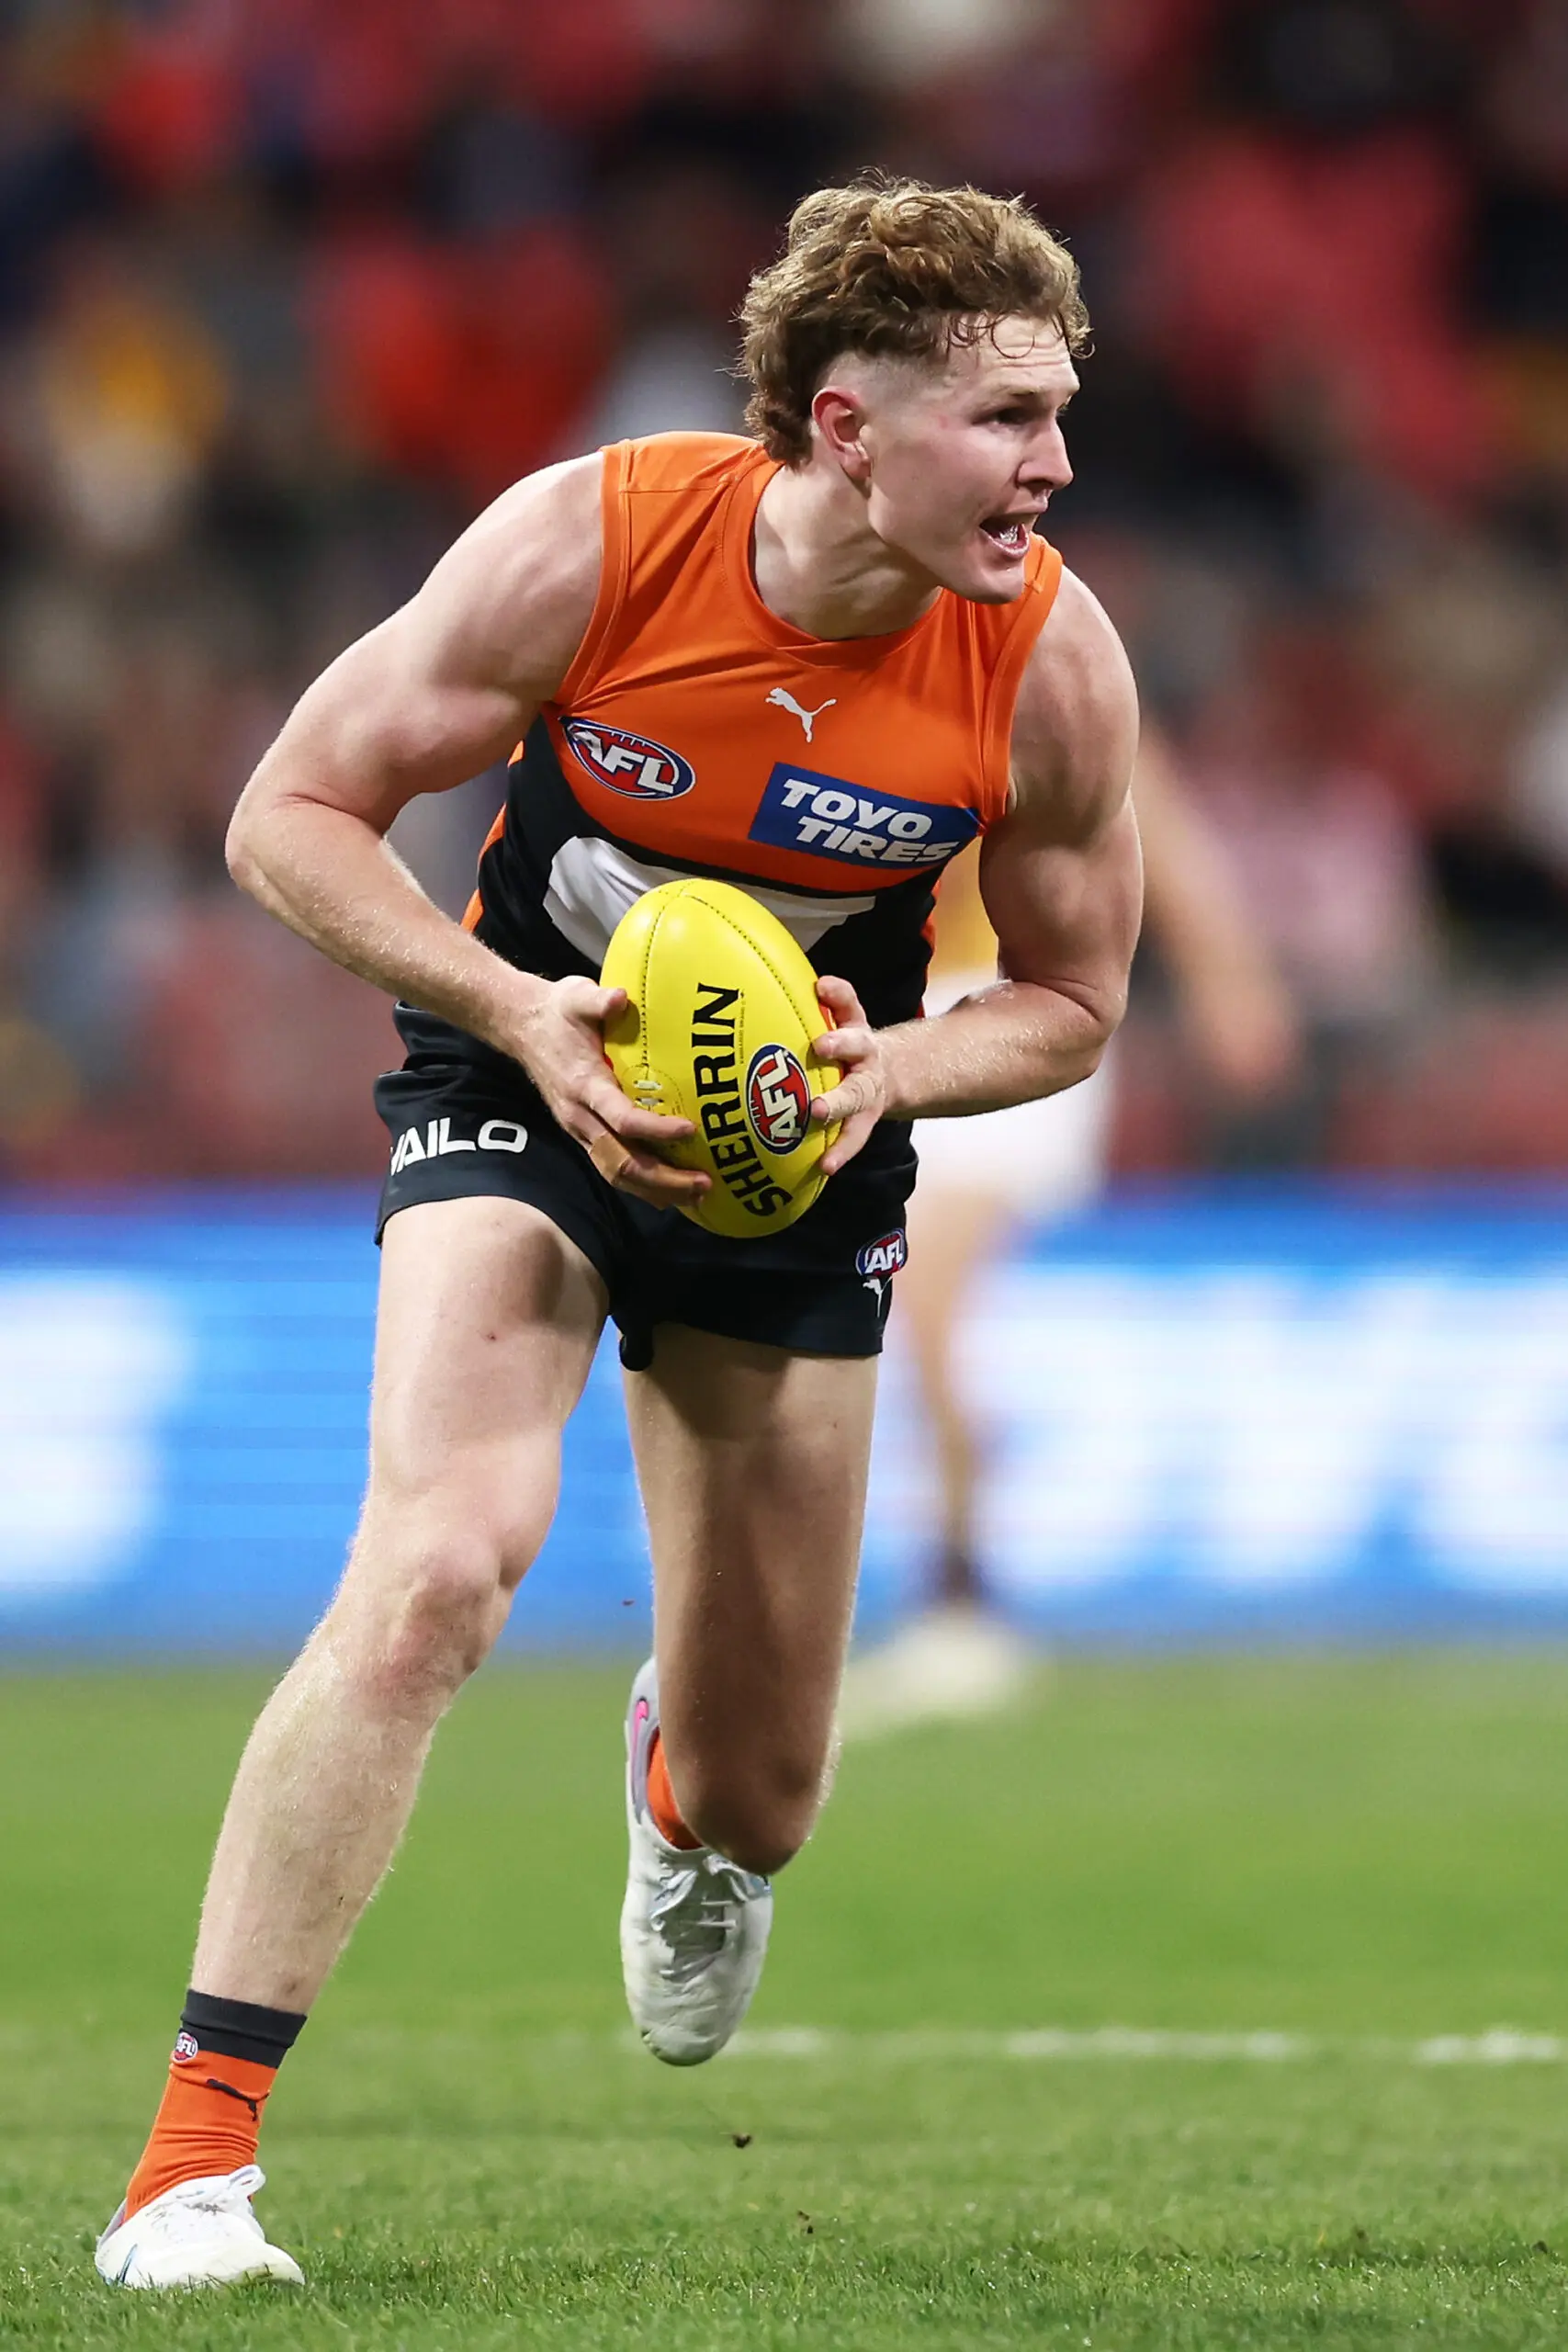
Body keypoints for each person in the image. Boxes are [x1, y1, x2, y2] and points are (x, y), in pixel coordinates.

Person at [94, 175, 1144, 2290]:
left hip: (802, 1150)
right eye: (1003, 416)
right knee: (435, 1564)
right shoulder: (597, 542)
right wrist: (512, 1014)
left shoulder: (1045, 657)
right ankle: (189, 2167)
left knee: (768, 1795)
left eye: (1056, 412)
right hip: (527, 1074)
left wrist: (882, 1074)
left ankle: (678, 1792)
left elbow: (1070, 995)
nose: (1051, 463)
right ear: (844, 424)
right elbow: (288, 811)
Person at [840, 729, 1300, 1736]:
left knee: (925, 1304)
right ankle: (946, 1599)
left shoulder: (1032, 676)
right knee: (903, 1316)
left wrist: (1228, 976)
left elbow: (1155, 819)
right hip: (887, 1019)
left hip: (1004, 1016)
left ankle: (963, 1604)